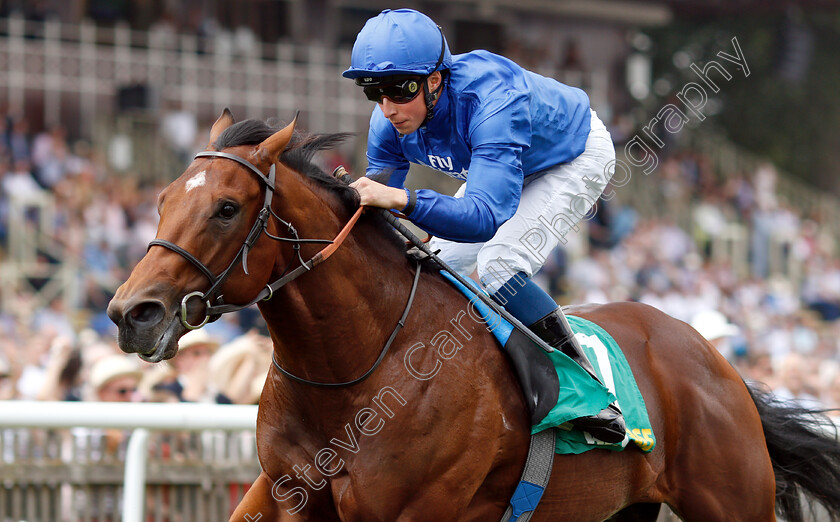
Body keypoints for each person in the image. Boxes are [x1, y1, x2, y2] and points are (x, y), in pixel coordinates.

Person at [343, 9, 624, 443]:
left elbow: (483, 218)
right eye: (374, 92)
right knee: (429, 261)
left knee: (499, 265)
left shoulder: (492, 99)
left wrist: (402, 199)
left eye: (399, 90)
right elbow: (381, 207)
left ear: (435, 80)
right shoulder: (389, 121)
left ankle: (587, 392)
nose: (388, 108)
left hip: (572, 155)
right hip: (503, 169)